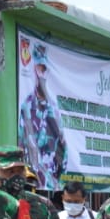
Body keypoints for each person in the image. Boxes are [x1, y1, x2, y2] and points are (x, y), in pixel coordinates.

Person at [18, 42, 68, 189]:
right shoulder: (26, 106)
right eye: (39, 68)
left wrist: (57, 181)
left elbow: (63, 148)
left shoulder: (54, 108)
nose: (42, 73)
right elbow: (22, 143)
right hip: (31, 181)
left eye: (44, 69)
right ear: (34, 69)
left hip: (51, 184)